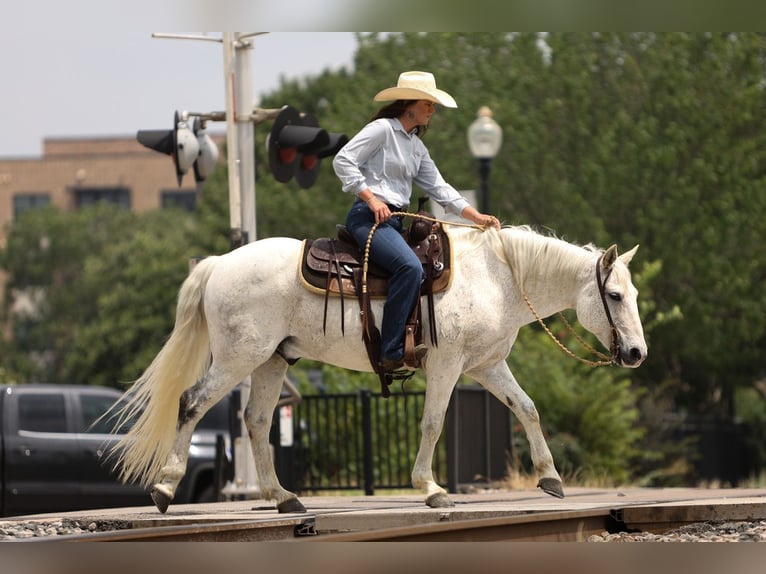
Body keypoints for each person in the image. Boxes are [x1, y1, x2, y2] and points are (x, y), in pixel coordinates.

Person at [332, 70, 501, 374]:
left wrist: (475, 216)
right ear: (410, 104)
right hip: (368, 219)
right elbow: (343, 159)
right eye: (428, 104)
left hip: (393, 222)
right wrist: (372, 199)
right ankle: (391, 350)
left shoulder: (416, 147)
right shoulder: (382, 130)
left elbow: (439, 187)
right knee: (409, 267)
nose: (431, 110)